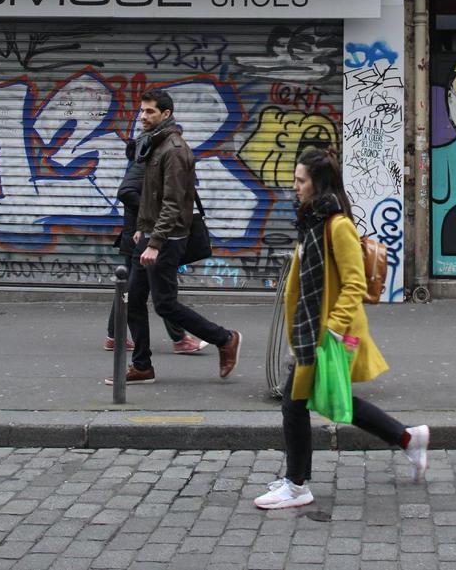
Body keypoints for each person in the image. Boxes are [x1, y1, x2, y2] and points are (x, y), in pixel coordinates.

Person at [254, 147, 428, 510]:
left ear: (317, 184)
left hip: (325, 333)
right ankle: (408, 439)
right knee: (335, 401)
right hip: (311, 329)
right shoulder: (314, 220)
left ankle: (297, 484)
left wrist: (331, 329)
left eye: (301, 180)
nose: (295, 186)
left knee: (294, 405)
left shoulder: (337, 226)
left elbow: (354, 284)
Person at [108, 88, 240, 385]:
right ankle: (142, 366)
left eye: (150, 111)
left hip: (168, 240)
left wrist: (155, 242)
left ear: (166, 114)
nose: (143, 116)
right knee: (134, 300)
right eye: (142, 110)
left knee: (165, 304)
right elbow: (149, 196)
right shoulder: (154, 144)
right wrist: (142, 227)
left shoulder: (175, 150)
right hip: (151, 234)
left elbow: (173, 202)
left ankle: (225, 338)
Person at [105, 136, 205, 355]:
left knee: (131, 289)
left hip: (143, 235)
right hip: (142, 238)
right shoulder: (142, 166)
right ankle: (180, 339)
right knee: (161, 290)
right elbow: (125, 192)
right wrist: (149, 212)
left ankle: (114, 336)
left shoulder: (150, 164)